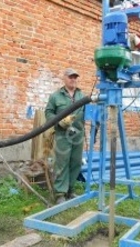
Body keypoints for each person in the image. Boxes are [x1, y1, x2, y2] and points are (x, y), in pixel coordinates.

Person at [45, 68, 85, 204]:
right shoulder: (56, 96)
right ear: (64, 78)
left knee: (76, 162)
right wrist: (60, 122)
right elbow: (49, 113)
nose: (73, 79)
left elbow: (87, 112)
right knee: (62, 163)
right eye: (70, 77)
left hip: (78, 134)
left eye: (75, 77)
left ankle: (70, 190)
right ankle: (60, 193)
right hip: (63, 134)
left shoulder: (81, 95)